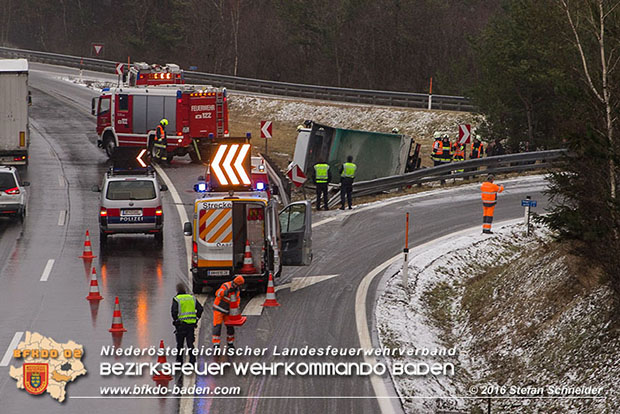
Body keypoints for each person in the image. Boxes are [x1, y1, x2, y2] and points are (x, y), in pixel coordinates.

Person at [171, 283, 204, 363]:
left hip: (181, 325)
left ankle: (179, 361)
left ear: (177, 290)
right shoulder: (192, 298)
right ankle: (192, 360)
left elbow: (174, 312)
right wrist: (196, 318)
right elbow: (200, 309)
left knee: (180, 344)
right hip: (191, 325)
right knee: (190, 344)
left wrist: (176, 320)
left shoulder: (177, 299)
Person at [212, 276, 245, 349]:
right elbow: (217, 293)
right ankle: (216, 344)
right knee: (217, 327)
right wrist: (226, 292)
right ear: (236, 283)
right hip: (219, 309)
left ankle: (230, 343)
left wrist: (236, 310)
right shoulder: (226, 285)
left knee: (230, 328)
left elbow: (237, 300)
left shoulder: (237, 290)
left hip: (228, 311)